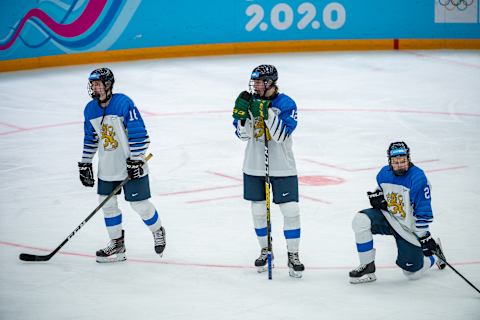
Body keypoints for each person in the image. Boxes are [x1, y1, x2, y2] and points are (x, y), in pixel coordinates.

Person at [78, 67, 166, 263]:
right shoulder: (90, 109)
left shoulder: (123, 103)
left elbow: (139, 133)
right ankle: (117, 244)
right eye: (92, 84)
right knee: (106, 204)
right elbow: (90, 138)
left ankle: (157, 230)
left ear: (108, 85)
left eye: (98, 83)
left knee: (139, 205)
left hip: (130, 165)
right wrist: (85, 163)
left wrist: (135, 159)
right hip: (107, 167)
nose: (94, 87)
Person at [232, 64, 305, 278]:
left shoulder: (286, 104)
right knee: (257, 212)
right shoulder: (249, 100)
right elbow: (243, 136)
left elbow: (281, 135)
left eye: (258, 81)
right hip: (254, 165)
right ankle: (265, 249)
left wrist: (266, 115)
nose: (254, 85)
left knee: (291, 210)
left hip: (283, 167)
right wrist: (243, 117)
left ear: (270, 82)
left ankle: (293, 254)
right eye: (253, 81)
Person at [349, 141, 446, 283]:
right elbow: (383, 189)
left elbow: (423, 211)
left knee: (412, 274)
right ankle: (367, 267)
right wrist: (377, 197)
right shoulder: (383, 173)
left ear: (408, 159)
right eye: (396, 162)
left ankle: (435, 257)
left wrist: (423, 236)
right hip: (390, 219)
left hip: (409, 229)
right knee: (360, 219)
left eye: (403, 161)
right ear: (390, 161)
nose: (400, 165)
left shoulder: (418, 178)